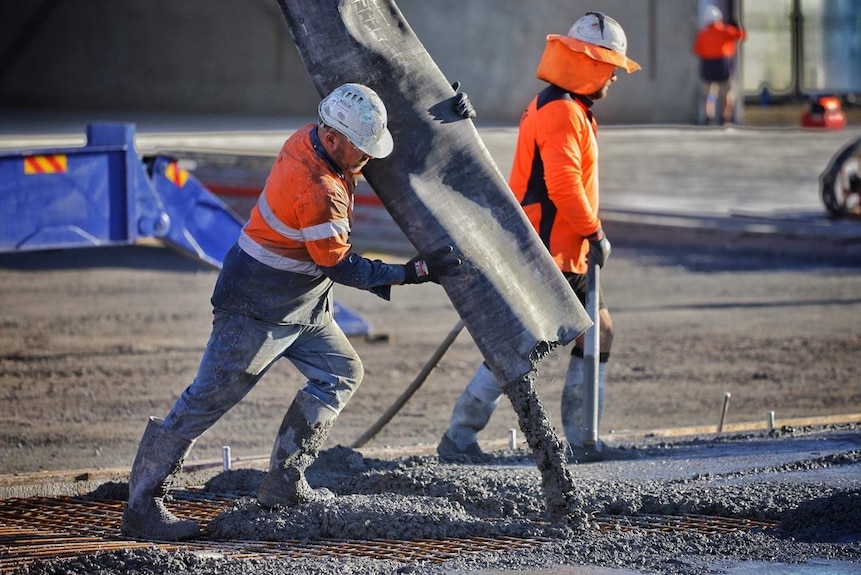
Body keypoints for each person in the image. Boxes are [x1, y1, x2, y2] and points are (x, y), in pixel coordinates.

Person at [122, 82, 471, 541]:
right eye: (362, 152)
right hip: (257, 305)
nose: (368, 160)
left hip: (302, 300)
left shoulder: (317, 136)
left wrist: (444, 119)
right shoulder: (318, 187)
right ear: (332, 140)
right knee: (204, 402)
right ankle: (143, 506)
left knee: (341, 373)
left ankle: (285, 481)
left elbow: (370, 138)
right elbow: (342, 266)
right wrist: (413, 272)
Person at [437, 12, 639, 464]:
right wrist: (596, 232)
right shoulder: (562, 112)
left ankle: (584, 440)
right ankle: (460, 438)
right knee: (518, 347)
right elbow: (563, 185)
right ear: (589, 63)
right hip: (548, 254)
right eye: (609, 67)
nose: (613, 77)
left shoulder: (566, 107)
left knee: (596, 332)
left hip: (568, 254)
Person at [693, 5, 745, 125]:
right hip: (723, 66)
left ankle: (708, 116)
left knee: (709, 94)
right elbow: (741, 36)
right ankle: (725, 117)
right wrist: (736, 25)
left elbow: (697, 50)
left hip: (707, 66)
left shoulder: (703, 34)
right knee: (727, 93)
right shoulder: (726, 31)